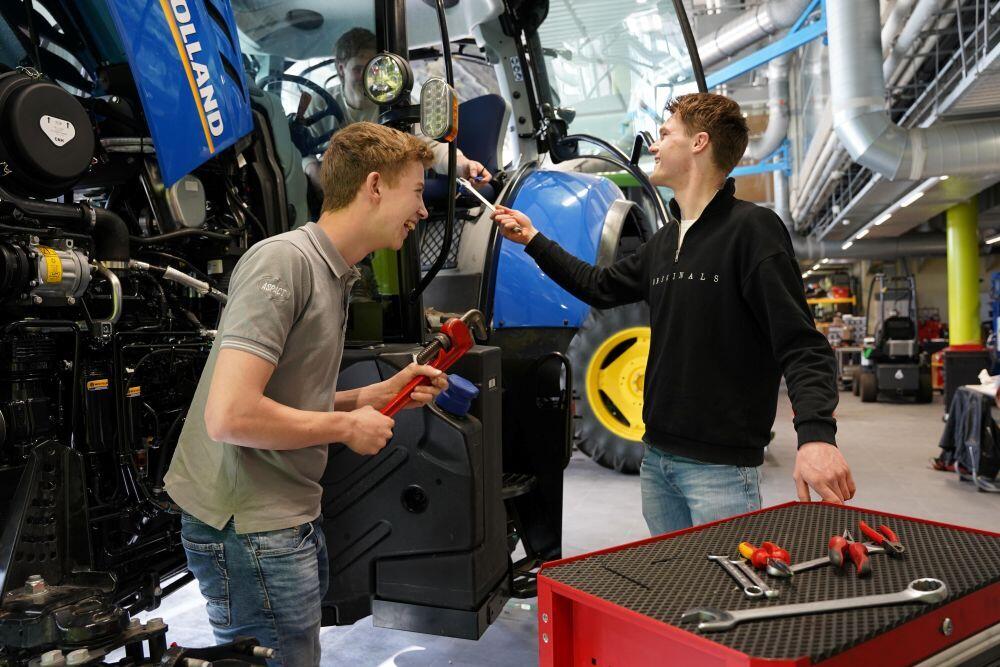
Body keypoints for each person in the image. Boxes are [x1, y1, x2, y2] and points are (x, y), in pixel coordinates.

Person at [493, 93, 855, 535]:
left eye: (666, 134)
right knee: (676, 579)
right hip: (658, 461)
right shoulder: (665, 242)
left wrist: (816, 436)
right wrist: (532, 239)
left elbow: (802, 345)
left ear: (699, 142)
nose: (654, 145)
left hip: (720, 470)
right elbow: (598, 285)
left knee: (726, 578)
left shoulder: (752, 230)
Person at [164, 122, 449, 666]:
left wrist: (373, 396)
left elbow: (283, 395)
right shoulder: (285, 262)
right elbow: (230, 415)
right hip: (248, 526)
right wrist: (346, 428)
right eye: (416, 191)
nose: (423, 208)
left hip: (282, 518)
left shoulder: (332, 272)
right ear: (374, 186)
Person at [303, 28, 490, 188]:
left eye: (373, 69)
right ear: (341, 69)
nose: (366, 77)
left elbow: (433, 146)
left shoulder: (398, 104)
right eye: (358, 69)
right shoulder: (320, 103)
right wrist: (313, 170)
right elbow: (302, 151)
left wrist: (464, 165)